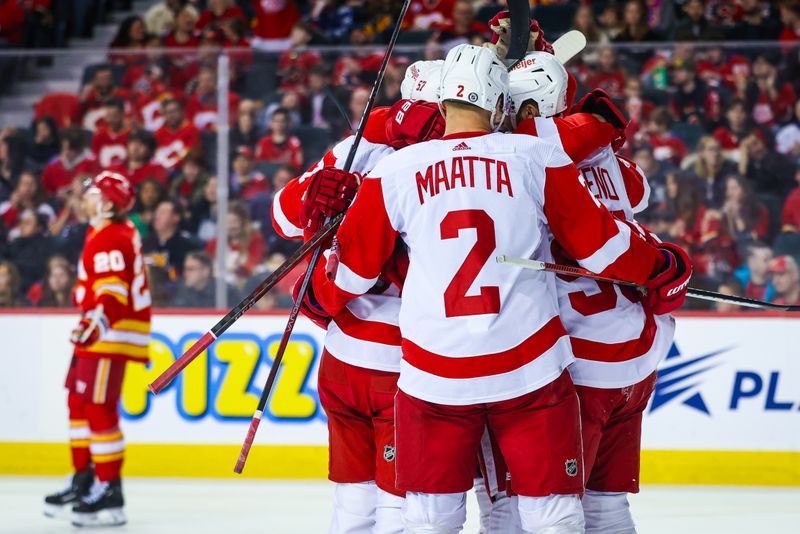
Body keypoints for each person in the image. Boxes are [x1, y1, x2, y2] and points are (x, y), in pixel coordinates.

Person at [303, 44, 689, 534]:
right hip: (527, 371)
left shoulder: (392, 171)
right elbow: (602, 251)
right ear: (500, 105)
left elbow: (351, 276)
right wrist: (662, 263)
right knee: (552, 517)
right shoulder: (536, 154)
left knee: (428, 520)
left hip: (433, 376)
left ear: (441, 106)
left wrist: (318, 295)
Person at [270, 65, 445, 533]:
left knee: (356, 500)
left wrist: (336, 215)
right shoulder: (395, 156)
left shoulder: (372, 151)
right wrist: (314, 198)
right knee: (395, 499)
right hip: (404, 360)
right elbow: (283, 216)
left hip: (353, 349)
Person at [43, 171, 151, 527]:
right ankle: (84, 479)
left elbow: (112, 294)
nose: (84, 196)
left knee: (99, 408)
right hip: (98, 332)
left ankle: (109, 492)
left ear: (106, 203)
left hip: (108, 334)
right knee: (78, 402)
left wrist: (96, 323)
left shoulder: (112, 235)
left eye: (91, 192)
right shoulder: (102, 232)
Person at [142, 199, 202, 278]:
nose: (157, 216)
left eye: (162, 213)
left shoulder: (187, 246)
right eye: (156, 212)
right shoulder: (144, 243)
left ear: (176, 217)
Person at [41, 127, 99, 198]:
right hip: (58, 203)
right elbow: (47, 189)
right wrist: (56, 194)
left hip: (84, 199)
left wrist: (78, 187)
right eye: (65, 148)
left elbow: (94, 181)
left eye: (71, 150)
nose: (67, 152)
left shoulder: (92, 161)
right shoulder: (53, 164)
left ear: (79, 148)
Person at [170, 250, 239, 308]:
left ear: (205, 271)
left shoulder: (225, 292)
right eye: (185, 269)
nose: (185, 273)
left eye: (190, 269)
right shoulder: (178, 289)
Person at [154, 98, 201, 172]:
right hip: (162, 171)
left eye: (174, 111)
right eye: (167, 112)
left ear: (182, 111)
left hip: (183, 170)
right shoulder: (158, 133)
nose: (171, 115)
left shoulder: (191, 129)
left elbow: (196, 153)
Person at [255, 108, 304, 172]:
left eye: (282, 121)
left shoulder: (294, 142)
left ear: (288, 123)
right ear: (271, 123)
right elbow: (258, 164)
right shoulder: (263, 142)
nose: (279, 124)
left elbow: (299, 164)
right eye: (276, 121)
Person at [92, 98, 131, 169]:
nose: (111, 119)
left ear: (122, 114)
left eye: (114, 116)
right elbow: (95, 159)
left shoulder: (131, 135)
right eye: (109, 115)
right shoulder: (100, 134)